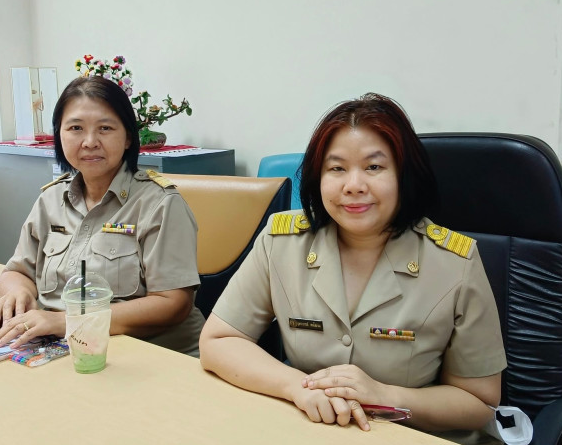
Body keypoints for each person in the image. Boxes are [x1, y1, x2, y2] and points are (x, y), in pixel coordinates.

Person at [199, 93, 506, 442]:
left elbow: (479, 401)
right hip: (311, 430)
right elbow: (219, 340)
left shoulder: (455, 263)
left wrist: (385, 396)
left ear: (404, 176)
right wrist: (297, 387)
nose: (354, 186)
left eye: (374, 167)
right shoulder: (281, 242)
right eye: (337, 168)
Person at [0, 75, 205, 357]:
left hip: (148, 355)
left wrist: (68, 322)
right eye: (75, 128)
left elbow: (172, 304)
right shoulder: (51, 200)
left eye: (105, 128)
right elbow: (16, 272)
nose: (90, 142)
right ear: (59, 135)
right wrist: (18, 292)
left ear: (128, 137)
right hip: (64, 349)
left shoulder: (160, 204)